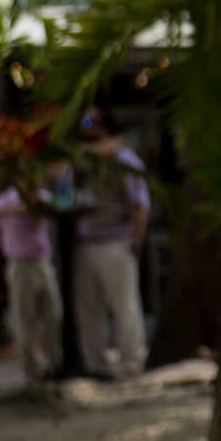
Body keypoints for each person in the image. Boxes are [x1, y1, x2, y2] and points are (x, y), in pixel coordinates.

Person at [73, 105, 150, 378]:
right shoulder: (81, 160)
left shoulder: (124, 158)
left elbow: (140, 203)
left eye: (91, 122)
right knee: (87, 306)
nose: (86, 127)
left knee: (124, 305)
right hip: (85, 242)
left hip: (116, 240)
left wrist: (137, 240)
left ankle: (131, 363)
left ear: (106, 127)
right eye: (83, 122)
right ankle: (96, 364)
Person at [0, 162, 67, 383]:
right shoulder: (8, 198)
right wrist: (17, 209)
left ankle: (55, 366)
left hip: (42, 261)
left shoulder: (42, 196)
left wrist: (40, 203)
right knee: (24, 318)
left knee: (53, 313)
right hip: (19, 264)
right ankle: (31, 372)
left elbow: (60, 204)